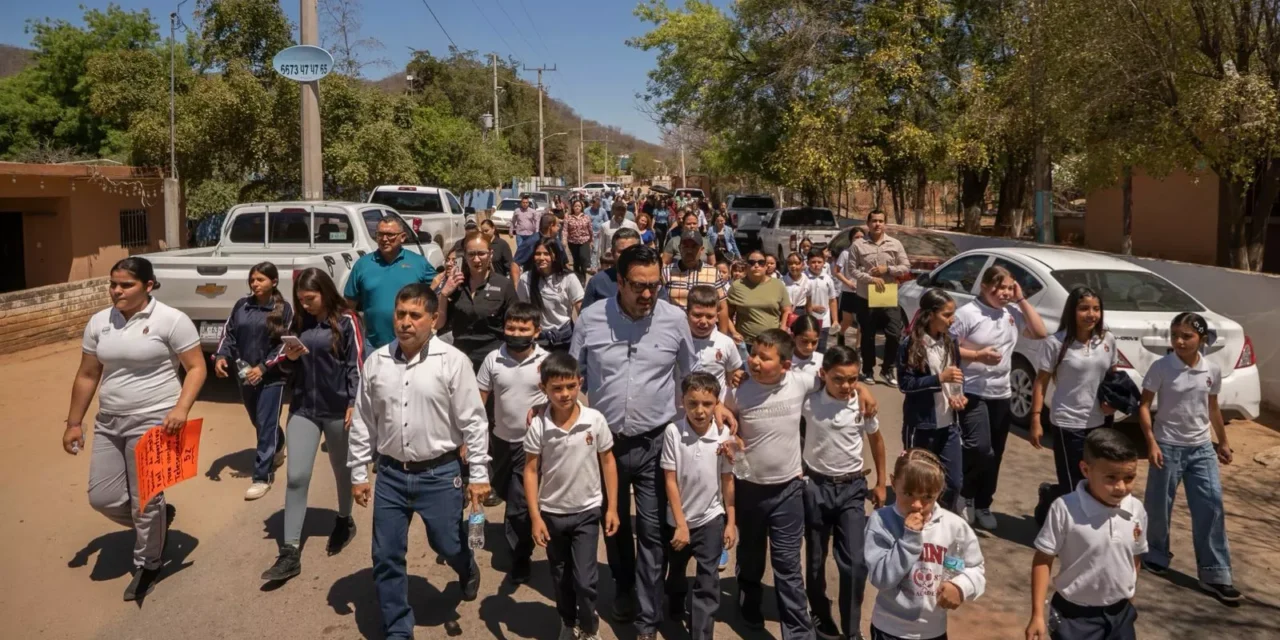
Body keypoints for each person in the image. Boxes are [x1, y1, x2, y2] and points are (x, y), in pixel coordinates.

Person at [571, 245, 733, 640]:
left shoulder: (674, 320)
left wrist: (719, 409)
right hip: (604, 445)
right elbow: (572, 376)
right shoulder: (591, 319)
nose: (648, 295)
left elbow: (690, 377)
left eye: (654, 286)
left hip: (655, 444)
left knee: (651, 530)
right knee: (613, 523)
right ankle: (623, 587)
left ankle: (648, 617)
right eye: (638, 287)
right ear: (620, 282)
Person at [348, 284, 491, 640]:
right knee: (385, 555)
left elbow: (474, 421)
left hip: (440, 474)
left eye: (415, 315)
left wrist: (478, 474)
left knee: (448, 542)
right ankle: (398, 627)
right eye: (400, 314)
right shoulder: (377, 362)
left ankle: (466, 566)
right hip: (392, 476)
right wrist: (358, 472)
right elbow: (364, 419)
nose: (406, 323)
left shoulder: (453, 362)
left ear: (434, 319)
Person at [63, 257, 205, 601]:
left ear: (149, 286)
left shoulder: (172, 320)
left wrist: (181, 408)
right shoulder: (100, 322)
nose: (116, 291)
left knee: (145, 499)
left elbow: (197, 367)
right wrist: (73, 422)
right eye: (113, 284)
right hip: (110, 420)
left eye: (126, 285)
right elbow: (87, 374)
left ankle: (149, 563)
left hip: (154, 420)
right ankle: (158, 522)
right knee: (103, 497)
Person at [261, 268, 365, 582]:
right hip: (304, 408)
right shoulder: (298, 324)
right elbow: (274, 360)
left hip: (337, 410)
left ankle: (344, 519)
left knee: (341, 469)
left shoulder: (347, 321)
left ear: (325, 292)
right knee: (296, 476)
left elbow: (356, 363)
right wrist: (289, 357)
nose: (305, 305)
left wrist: (354, 402)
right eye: (301, 300)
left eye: (311, 299)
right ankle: (290, 551)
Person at [1137, 312, 1240, 603]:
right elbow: (1144, 405)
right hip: (1167, 447)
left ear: (1202, 339)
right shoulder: (1162, 367)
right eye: (1175, 336)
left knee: (1211, 504)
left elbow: (1213, 408)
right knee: (1158, 506)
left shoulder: (1212, 370)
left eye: (1187, 336)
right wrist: (1151, 443)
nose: (1179, 341)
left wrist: (1224, 442)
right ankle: (1155, 553)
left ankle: (1215, 574)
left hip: (1201, 449)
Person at [724, 329, 820, 637]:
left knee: (788, 565)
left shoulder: (802, 381)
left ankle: (798, 633)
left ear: (786, 365)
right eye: (752, 353)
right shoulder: (739, 390)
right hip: (749, 489)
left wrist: (864, 390)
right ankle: (748, 598)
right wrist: (728, 425)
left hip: (788, 490)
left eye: (764, 358)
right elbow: (721, 410)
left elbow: (836, 380)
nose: (753, 361)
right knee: (751, 556)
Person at [525, 351, 621, 640]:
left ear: (580, 383)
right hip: (552, 513)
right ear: (544, 389)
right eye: (556, 388)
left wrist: (612, 508)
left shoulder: (594, 420)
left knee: (585, 579)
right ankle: (568, 621)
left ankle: (590, 627)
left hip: (587, 512)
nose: (565, 394)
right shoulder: (539, 426)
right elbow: (530, 471)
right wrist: (535, 517)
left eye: (570, 386)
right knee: (560, 576)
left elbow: (608, 461)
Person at [950, 266, 1049, 530]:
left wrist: (1021, 298)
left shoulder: (1012, 313)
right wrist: (977, 356)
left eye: (1009, 287)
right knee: (980, 448)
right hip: (972, 390)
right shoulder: (967, 314)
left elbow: (1040, 332)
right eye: (1000, 287)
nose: (1005, 293)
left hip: (1001, 393)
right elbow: (946, 348)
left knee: (996, 453)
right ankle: (965, 495)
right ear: (984, 286)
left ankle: (984, 503)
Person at [1026, 430, 1146, 640]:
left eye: (1129, 478)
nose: (1121, 487)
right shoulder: (1064, 508)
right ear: (1085, 469)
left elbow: (1134, 556)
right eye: (1111, 477)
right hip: (1075, 617)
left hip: (1120, 614)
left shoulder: (1136, 509)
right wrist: (1037, 614)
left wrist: (1130, 596)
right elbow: (1043, 560)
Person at [804, 345, 887, 640]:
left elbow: (877, 441)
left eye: (853, 379)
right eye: (838, 379)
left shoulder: (862, 405)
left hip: (852, 489)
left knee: (855, 563)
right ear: (824, 374)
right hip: (816, 487)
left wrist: (880, 481)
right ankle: (821, 616)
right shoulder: (809, 401)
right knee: (815, 561)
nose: (846, 386)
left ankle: (852, 631)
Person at [865, 449, 986, 640]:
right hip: (889, 628)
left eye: (927, 497)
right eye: (908, 493)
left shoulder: (953, 527)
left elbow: (974, 567)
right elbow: (881, 578)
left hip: (932, 630)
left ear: (939, 492)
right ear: (894, 482)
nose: (917, 505)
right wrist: (909, 538)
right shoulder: (881, 521)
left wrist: (961, 587)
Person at [1030, 286, 1118, 524]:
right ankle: (1069, 530)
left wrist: (1113, 400)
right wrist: (1036, 418)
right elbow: (1040, 383)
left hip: (1100, 422)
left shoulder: (1107, 340)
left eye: (1096, 309)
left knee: (1094, 481)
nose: (1091, 314)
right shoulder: (1055, 344)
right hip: (1068, 423)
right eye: (1084, 309)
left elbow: (1112, 376)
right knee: (1073, 485)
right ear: (1072, 311)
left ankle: (1051, 494)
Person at [477, 303, 549, 585]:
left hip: (531, 446)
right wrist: (471, 437)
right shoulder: (493, 360)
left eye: (523, 329)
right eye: (511, 328)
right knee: (507, 491)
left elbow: (558, 398)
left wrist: (542, 412)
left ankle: (521, 555)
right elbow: (478, 399)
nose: (516, 333)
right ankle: (516, 529)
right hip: (500, 442)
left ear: (536, 331)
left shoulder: (545, 361)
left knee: (519, 501)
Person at [662, 372, 737, 639]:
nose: (700, 410)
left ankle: (701, 634)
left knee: (707, 582)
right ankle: (674, 600)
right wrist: (681, 525)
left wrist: (730, 521)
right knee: (677, 571)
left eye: (707, 404)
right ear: (682, 401)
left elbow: (727, 479)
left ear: (717, 403)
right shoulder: (673, 432)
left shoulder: (723, 433)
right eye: (693, 403)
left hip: (711, 518)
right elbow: (670, 480)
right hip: (679, 521)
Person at [213, 261, 293, 500]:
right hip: (245, 375)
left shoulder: (283, 309)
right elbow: (229, 334)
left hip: (272, 377)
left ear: (274, 282)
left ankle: (262, 476)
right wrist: (221, 356)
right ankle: (278, 446)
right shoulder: (242, 305)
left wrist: (263, 367)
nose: (255, 284)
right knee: (257, 420)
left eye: (261, 280)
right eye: (253, 280)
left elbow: (284, 345)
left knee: (266, 425)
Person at [897, 288, 967, 509]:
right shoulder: (911, 344)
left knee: (953, 482)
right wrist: (938, 379)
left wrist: (958, 397)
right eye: (947, 315)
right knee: (918, 482)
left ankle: (941, 521)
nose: (952, 319)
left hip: (949, 425)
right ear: (930, 315)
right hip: (921, 425)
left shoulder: (950, 342)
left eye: (952, 313)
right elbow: (905, 384)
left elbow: (954, 375)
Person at [835, 210, 910, 384]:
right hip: (865, 297)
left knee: (894, 333)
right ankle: (868, 370)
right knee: (868, 335)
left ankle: (888, 369)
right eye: (874, 221)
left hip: (888, 296)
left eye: (881, 221)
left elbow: (905, 266)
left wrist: (888, 270)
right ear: (868, 223)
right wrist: (870, 278)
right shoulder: (858, 245)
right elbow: (852, 270)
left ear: (885, 224)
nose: (877, 224)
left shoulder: (895, 244)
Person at [344, 216, 435, 349]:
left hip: (412, 344)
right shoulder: (362, 265)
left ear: (402, 237)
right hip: (374, 345)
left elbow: (438, 287)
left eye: (390, 235)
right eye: (380, 234)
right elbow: (348, 305)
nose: (384, 239)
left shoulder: (418, 262)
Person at [438, 231, 520, 372]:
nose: (476, 260)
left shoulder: (504, 285)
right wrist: (444, 294)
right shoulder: (455, 285)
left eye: (481, 253)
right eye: (471, 254)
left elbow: (517, 325)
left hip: (493, 360)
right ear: (464, 255)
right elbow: (438, 323)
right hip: (460, 358)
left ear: (490, 254)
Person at [726, 249, 792, 365]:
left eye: (761, 263)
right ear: (746, 266)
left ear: (766, 266)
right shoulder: (737, 286)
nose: (756, 266)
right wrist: (733, 332)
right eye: (752, 262)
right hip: (746, 345)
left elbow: (786, 310)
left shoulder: (778, 285)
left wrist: (782, 330)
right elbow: (726, 314)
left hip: (773, 343)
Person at [518, 238, 584, 352]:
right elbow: (521, 310)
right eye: (538, 254)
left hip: (564, 339)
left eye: (546, 254)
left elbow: (581, 309)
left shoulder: (568, 278)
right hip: (537, 339)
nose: (541, 258)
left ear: (554, 256)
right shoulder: (525, 279)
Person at [686, 285, 745, 403]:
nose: (703, 321)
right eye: (697, 315)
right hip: (682, 412)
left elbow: (732, 379)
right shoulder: (678, 342)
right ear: (687, 313)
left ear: (717, 316)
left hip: (717, 410)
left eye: (709, 316)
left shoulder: (726, 343)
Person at [664, 230, 733, 331]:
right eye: (685, 246)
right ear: (679, 248)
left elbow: (722, 307)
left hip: (704, 332)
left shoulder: (713, 273)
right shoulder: (666, 272)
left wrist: (722, 337)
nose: (689, 250)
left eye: (694, 247)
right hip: (674, 331)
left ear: (701, 250)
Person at [582, 228, 642, 309]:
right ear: (613, 253)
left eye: (632, 251)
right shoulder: (597, 282)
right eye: (622, 252)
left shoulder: (652, 281)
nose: (627, 255)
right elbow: (585, 317)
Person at [804, 247, 840, 353]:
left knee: (821, 348)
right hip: (807, 320)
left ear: (824, 262)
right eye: (813, 262)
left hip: (824, 321)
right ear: (807, 263)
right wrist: (812, 307)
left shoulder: (827, 279)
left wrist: (835, 320)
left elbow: (832, 300)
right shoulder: (803, 278)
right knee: (807, 348)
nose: (816, 264)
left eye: (819, 262)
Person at [595, 202, 640, 270]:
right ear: (613, 211)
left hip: (629, 261)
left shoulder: (632, 225)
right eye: (618, 209)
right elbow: (601, 246)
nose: (620, 212)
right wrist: (599, 264)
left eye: (623, 210)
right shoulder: (605, 226)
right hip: (610, 262)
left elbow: (639, 244)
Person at [563, 199, 595, 282]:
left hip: (584, 241)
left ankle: (583, 277)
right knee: (576, 261)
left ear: (582, 207)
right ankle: (578, 279)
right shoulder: (568, 217)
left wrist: (591, 241)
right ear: (573, 207)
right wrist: (564, 240)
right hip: (573, 242)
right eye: (575, 206)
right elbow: (565, 230)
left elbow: (590, 229)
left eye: (579, 206)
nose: (577, 208)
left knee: (583, 258)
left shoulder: (586, 217)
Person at [781, 252, 811, 328]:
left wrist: (809, 318)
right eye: (790, 263)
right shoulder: (781, 281)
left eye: (797, 263)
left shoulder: (807, 281)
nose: (793, 266)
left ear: (803, 264)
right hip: (784, 313)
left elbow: (808, 302)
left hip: (800, 312)